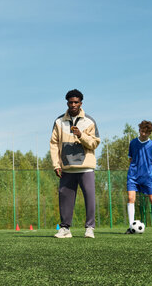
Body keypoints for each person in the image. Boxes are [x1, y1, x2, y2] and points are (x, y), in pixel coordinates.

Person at [50, 89, 100, 239]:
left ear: (81, 103)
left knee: (90, 197)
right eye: (71, 102)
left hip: (86, 167)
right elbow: (53, 144)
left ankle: (90, 228)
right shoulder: (59, 121)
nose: (73, 105)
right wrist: (56, 164)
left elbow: (94, 143)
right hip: (66, 167)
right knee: (64, 198)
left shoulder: (89, 121)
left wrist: (81, 135)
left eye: (76, 102)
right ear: (67, 103)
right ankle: (65, 229)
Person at [125, 121, 152, 234]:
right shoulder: (133, 143)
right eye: (142, 131)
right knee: (130, 198)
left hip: (147, 177)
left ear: (150, 133)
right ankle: (131, 227)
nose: (143, 134)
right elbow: (130, 158)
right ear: (139, 130)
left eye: (146, 132)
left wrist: (146, 169)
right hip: (133, 176)